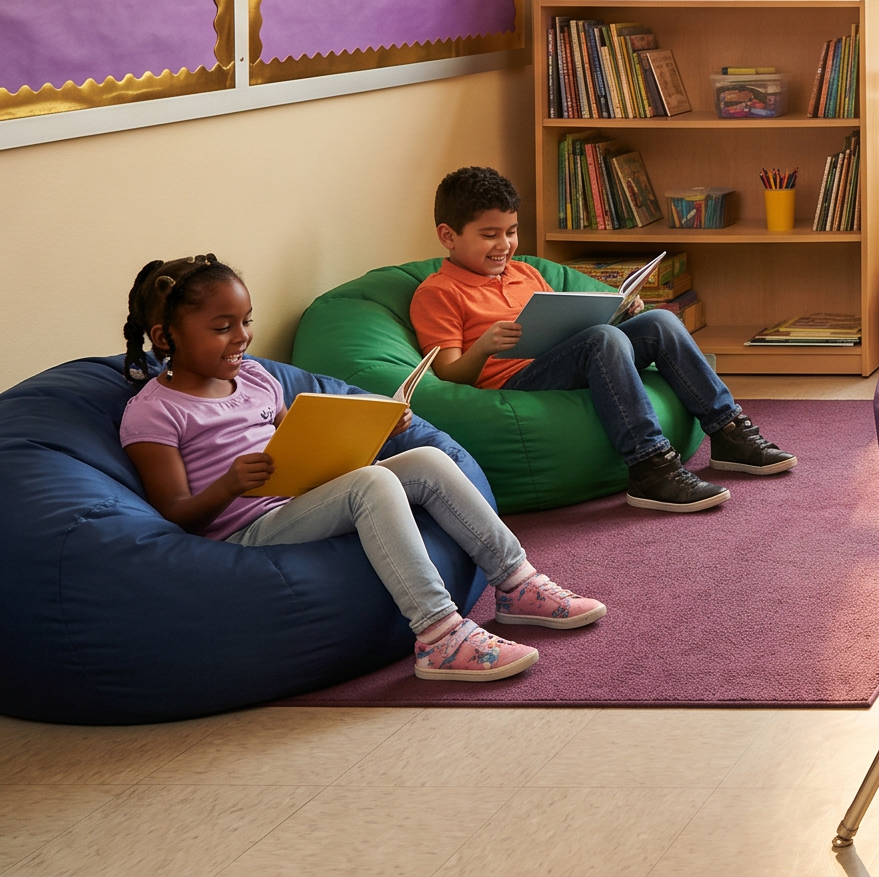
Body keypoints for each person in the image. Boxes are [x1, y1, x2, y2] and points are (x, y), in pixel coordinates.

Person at [117, 256, 603, 683]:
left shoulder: (255, 377)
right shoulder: (154, 412)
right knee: (371, 483)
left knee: (427, 459)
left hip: (297, 501)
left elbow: (302, 444)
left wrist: (374, 430)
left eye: (246, 321)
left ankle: (516, 582)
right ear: (165, 336)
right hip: (246, 531)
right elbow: (175, 513)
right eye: (222, 327)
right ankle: (439, 635)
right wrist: (228, 485)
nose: (242, 337)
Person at [412, 166, 794, 513]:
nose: (505, 245)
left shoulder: (525, 272)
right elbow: (447, 373)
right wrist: (484, 347)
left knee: (659, 320)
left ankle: (729, 431)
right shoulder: (439, 292)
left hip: (561, 361)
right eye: (489, 235)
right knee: (602, 340)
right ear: (448, 236)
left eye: (511, 232)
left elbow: (565, 327)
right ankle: (650, 467)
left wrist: (619, 311)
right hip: (514, 383)